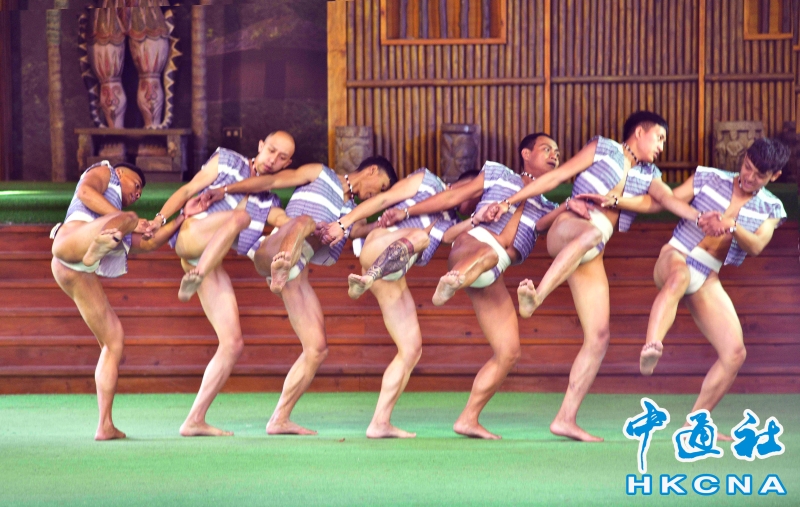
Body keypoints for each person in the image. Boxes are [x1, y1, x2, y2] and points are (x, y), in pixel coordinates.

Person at [474, 112, 702, 442]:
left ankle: (565, 418)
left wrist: (701, 218)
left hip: (592, 247)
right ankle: (537, 296)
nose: (662, 147)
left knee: (599, 337)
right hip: (569, 227)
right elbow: (557, 177)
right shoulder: (603, 148)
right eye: (659, 138)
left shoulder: (649, 174)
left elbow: (667, 200)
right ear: (640, 132)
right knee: (591, 234)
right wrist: (509, 202)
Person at [382, 133, 586, 439]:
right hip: (471, 244)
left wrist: (568, 205)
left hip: (495, 268)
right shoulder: (498, 173)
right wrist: (407, 212)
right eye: (547, 149)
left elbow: (544, 226)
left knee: (509, 352)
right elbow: (452, 198)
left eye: (557, 152)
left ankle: (468, 419)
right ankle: (453, 280)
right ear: (526, 153)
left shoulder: (546, 205)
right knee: (487, 253)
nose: (554, 155)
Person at [584, 138, 788, 437]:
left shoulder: (771, 207)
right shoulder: (709, 177)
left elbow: (756, 245)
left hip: (707, 275)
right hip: (676, 255)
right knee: (679, 277)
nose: (749, 177)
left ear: (775, 176)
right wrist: (616, 201)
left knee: (735, 353)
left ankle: (695, 422)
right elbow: (663, 201)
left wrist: (731, 226)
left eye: (759, 175)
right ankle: (652, 346)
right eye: (747, 167)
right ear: (744, 158)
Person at [204, 156, 398, 435]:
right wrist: (225, 190)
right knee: (305, 221)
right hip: (272, 249)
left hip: (297, 274)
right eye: (382, 187)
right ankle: (281, 264)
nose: (378, 195)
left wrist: (380, 224)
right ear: (371, 171)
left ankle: (279, 419)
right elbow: (273, 181)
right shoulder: (320, 173)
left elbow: (356, 231)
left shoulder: (355, 211)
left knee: (317, 349)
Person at [146, 131, 297, 436]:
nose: (273, 160)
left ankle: (194, 419)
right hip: (192, 236)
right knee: (240, 218)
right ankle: (198, 273)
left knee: (233, 343)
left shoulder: (268, 200)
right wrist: (158, 220)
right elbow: (188, 189)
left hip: (207, 262)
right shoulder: (228, 161)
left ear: (288, 165)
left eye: (282, 157)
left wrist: (313, 227)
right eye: (270, 150)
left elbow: (285, 221)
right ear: (260, 145)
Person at [317, 168, 481, 438]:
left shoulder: (451, 220)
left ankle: (380, 422)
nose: (475, 201)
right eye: (476, 194)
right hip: (377, 248)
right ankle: (367, 278)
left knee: (411, 349)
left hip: (393, 272)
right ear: (466, 183)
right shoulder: (426, 180)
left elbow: (450, 236)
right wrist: (343, 224)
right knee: (421, 236)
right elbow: (383, 200)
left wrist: (476, 219)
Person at [50, 160, 187, 440]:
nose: (137, 193)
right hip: (69, 243)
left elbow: (149, 243)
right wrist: (130, 221)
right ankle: (93, 251)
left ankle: (105, 425)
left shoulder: (117, 224)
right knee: (128, 219)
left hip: (74, 270)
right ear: (121, 173)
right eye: (136, 186)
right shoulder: (106, 172)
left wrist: (181, 219)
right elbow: (85, 192)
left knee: (113, 341)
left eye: (140, 193)